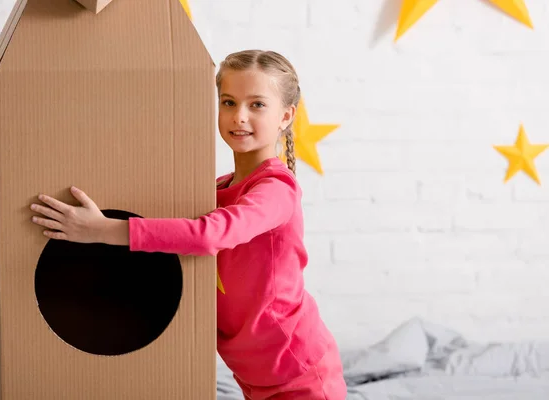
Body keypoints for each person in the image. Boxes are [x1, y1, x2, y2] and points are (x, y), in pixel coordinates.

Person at [30, 49, 347, 399]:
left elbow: (211, 234)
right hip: (253, 376)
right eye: (228, 102)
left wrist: (101, 230)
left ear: (286, 116)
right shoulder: (214, 189)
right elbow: (174, 233)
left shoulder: (276, 189)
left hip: (298, 374)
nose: (239, 116)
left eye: (256, 105)